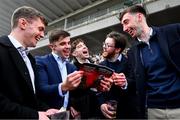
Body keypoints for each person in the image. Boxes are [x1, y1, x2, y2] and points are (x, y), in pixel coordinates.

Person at [119, 5, 180, 119]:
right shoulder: (132, 52)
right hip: (153, 109)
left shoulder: (173, 31)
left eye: (126, 22)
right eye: (123, 25)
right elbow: (135, 81)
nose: (124, 28)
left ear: (139, 17)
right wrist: (124, 82)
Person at [0, 6, 59, 119]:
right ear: (23, 23)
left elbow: (30, 97)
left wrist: (46, 109)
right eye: (40, 29)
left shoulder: (30, 59)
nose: (42, 35)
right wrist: (34, 115)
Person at [35, 29, 84, 112]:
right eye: (63, 43)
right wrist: (63, 87)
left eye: (68, 43)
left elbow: (73, 94)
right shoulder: (41, 62)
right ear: (52, 47)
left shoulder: (72, 67)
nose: (68, 46)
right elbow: (42, 89)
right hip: (48, 114)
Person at [98, 31, 139, 119]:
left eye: (108, 46)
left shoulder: (130, 63)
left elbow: (137, 84)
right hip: (107, 113)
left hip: (127, 113)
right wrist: (102, 104)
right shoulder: (100, 65)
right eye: (104, 44)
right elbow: (98, 90)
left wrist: (125, 83)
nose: (104, 48)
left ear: (117, 49)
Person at [70, 38, 101, 118]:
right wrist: (70, 106)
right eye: (80, 46)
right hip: (82, 110)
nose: (85, 47)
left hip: (98, 107)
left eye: (84, 45)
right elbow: (69, 91)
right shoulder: (71, 69)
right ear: (74, 53)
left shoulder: (96, 66)